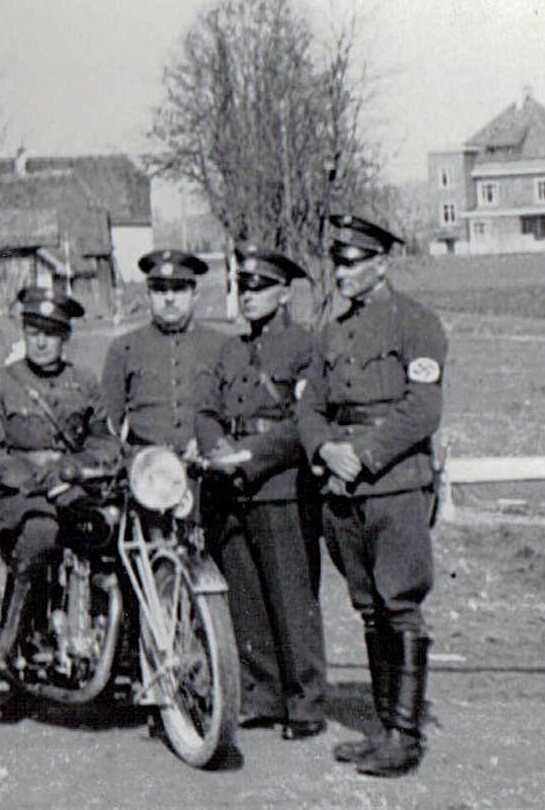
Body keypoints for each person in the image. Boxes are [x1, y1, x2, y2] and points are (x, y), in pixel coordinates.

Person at [297, 213, 446, 777]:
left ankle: (405, 736)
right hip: (343, 485)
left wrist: (364, 453)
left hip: (395, 483)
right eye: (337, 261)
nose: (340, 272)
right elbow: (310, 405)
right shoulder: (332, 331)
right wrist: (325, 449)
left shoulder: (416, 323)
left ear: (382, 263)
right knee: (368, 608)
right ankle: (383, 726)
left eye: (352, 261)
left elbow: (423, 408)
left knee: (399, 602)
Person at [0, 286, 123, 718]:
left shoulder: (84, 382)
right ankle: (7, 640)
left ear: (65, 337)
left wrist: (77, 467)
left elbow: (106, 442)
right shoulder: (0, 382)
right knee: (41, 532)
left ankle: (108, 646)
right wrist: (34, 477)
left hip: (71, 488)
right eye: (33, 331)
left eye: (51, 333)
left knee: (112, 533)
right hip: (19, 494)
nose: (41, 341)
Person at [194, 245, 327, 741]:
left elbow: (305, 422)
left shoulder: (304, 347)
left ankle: (306, 703)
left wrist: (249, 457)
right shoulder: (228, 350)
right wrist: (217, 447)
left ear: (284, 293)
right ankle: (262, 695)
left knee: (291, 598)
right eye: (242, 288)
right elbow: (205, 410)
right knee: (245, 596)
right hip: (228, 487)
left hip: (279, 486)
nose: (248, 297)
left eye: (259, 288)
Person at [101, 249, 228, 454]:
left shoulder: (223, 346)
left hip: (206, 467)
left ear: (195, 294)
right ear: (148, 295)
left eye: (178, 289)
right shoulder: (124, 348)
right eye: (159, 290)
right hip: (145, 469)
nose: (169, 298)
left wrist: (210, 443)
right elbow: (107, 424)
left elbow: (237, 415)